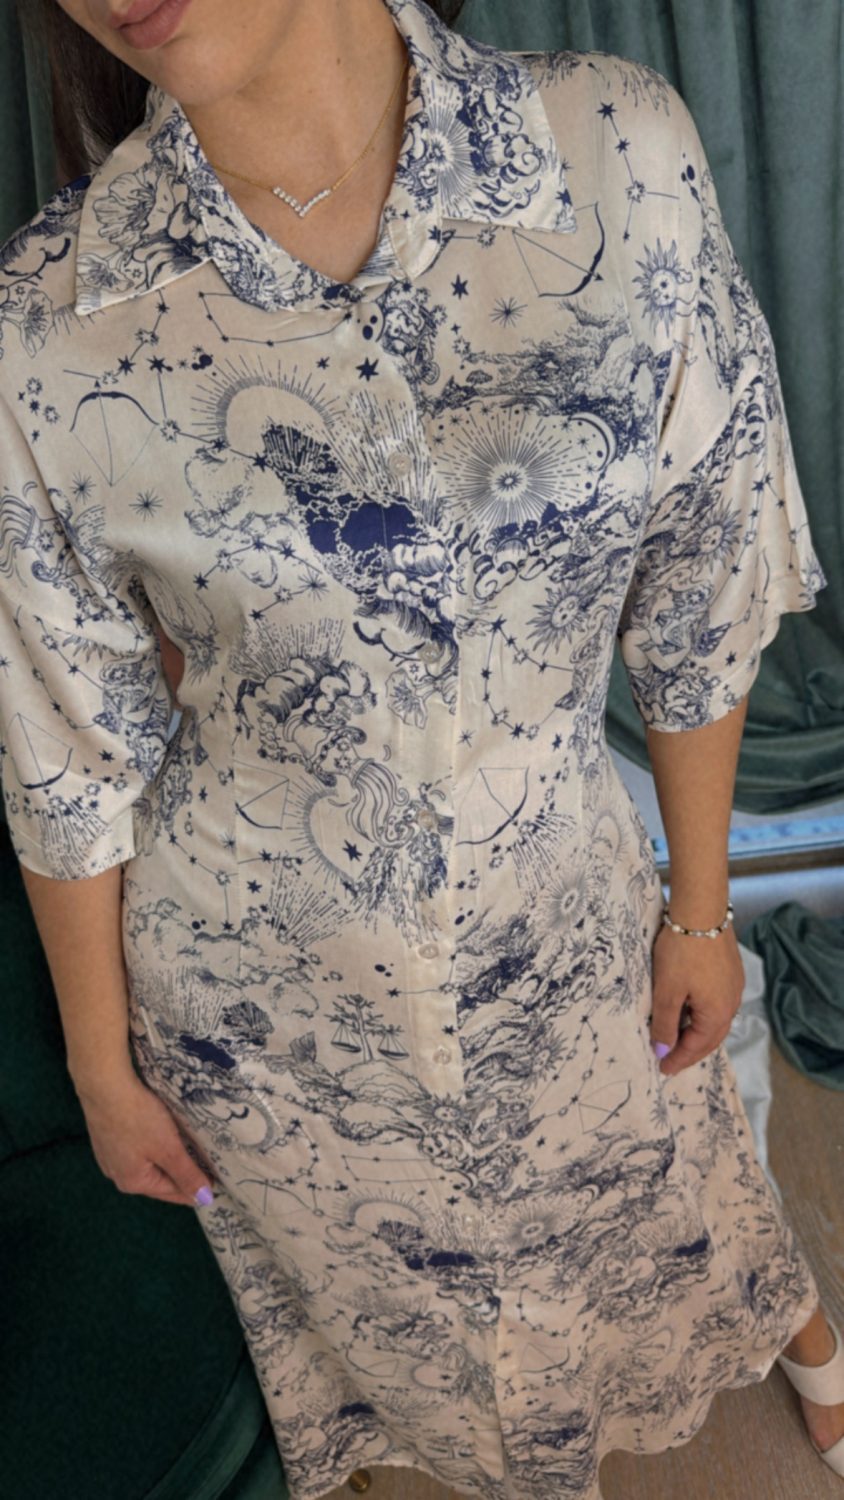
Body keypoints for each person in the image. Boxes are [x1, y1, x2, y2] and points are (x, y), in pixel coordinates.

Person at [1, 0, 841, 1496]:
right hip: (267, 1013)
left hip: (569, 914)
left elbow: (703, 579)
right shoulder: (45, 322)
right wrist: (101, 1066)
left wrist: (703, 906)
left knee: (680, 1186)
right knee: (426, 1343)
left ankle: (807, 1334)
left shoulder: (609, 152)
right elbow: (67, 753)